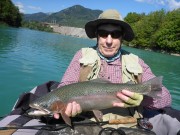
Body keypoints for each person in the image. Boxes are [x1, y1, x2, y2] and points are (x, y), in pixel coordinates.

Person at [53, 9, 180, 134]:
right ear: (97, 35)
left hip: (130, 127)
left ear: (122, 37)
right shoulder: (81, 55)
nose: (109, 41)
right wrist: (67, 107)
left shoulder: (137, 62)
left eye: (115, 34)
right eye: (103, 33)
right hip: (87, 123)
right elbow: (64, 87)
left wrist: (141, 99)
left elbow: (165, 98)